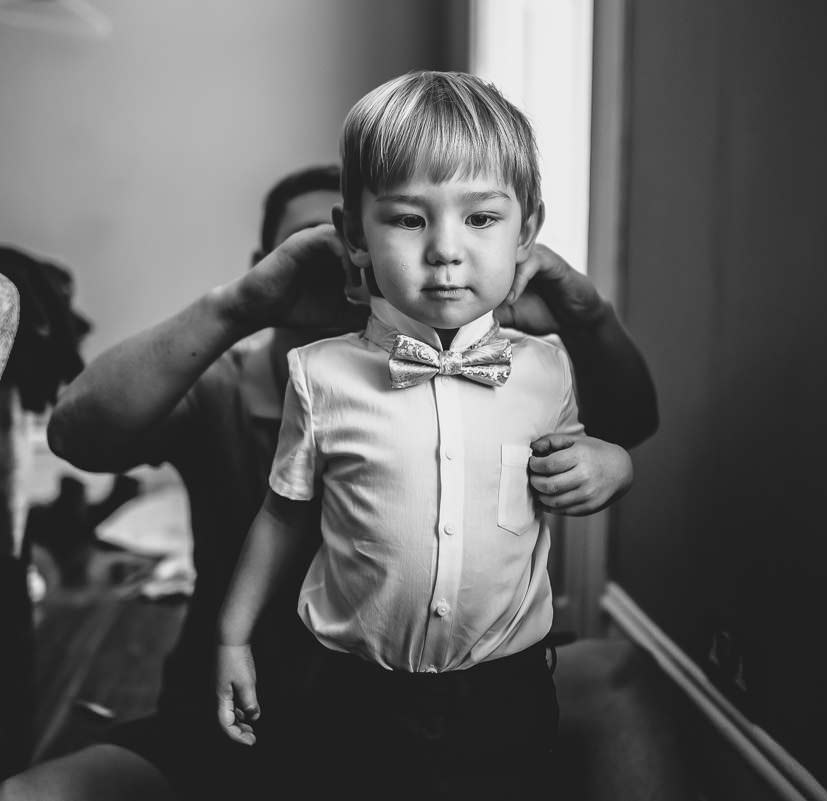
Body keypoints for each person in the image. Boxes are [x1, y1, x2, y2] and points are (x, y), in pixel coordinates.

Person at [0, 153, 654, 801]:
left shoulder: (472, 365)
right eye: (312, 250)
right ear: (267, 258)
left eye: (363, 248)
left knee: (616, 675)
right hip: (237, 715)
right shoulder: (226, 383)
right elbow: (74, 433)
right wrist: (241, 303)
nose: (342, 269)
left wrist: (584, 314)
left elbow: (629, 423)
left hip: (435, 705)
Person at [215, 70, 629, 801]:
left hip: (507, 693)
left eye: (481, 218)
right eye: (408, 219)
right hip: (349, 692)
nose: (445, 248)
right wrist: (233, 635)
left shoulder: (547, 370)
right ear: (354, 237)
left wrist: (612, 464)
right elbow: (282, 517)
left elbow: (579, 455)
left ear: (526, 229)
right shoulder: (319, 375)